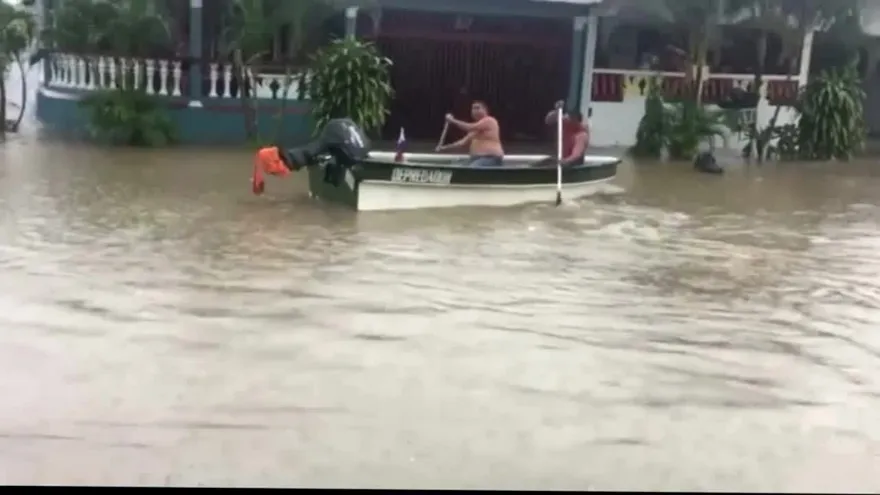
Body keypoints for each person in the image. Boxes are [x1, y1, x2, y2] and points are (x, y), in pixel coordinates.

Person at [436, 100, 505, 167]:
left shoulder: (489, 120)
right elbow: (461, 143)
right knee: (457, 166)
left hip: (490, 158)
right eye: (473, 109)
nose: (475, 111)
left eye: (477, 108)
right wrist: (443, 148)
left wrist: (452, 120)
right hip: (476, 159)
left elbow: (469, 127)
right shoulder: (475, 129)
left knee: (471, 169)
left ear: (485, 110)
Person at [544, 100, 589, 166]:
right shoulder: (565, 122)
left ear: (576, 122)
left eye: (569, 121)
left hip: (573, 163)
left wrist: (564, 161)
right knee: (545, 162)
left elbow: (576, 155)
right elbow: (548, 120)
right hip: (561, 158)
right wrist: (557, 111)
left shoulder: (581, 135)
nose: (565, 121)